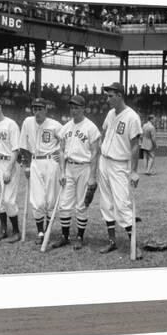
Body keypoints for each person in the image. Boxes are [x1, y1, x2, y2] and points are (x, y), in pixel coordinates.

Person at [98, 82, 143, 259]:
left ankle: (134, 244)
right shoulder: (110, 113)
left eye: (110, 96)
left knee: (122, 204)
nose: (107, 99)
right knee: (105, 203)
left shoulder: (132, 117)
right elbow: (105, 133)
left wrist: (134, 171)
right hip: (105, 161)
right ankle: (111, 241)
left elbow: (135, 146)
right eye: (107, 95)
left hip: (119, 164)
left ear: (119, 95)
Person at [52, 95, 100, 250]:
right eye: (72, 107)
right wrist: (62, 172)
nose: (74, 110)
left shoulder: (91, 127)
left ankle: (79, 237)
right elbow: (61, 150)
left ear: (83, 108)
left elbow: (94, 153)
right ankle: (65, 237)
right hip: (69, 167)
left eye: (77, 107)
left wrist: (92, 176)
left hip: (84, 167)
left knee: (81, 205)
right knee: (64, 204)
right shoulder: (65, 127)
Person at [19, 98, 62, 245]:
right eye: (34, 109)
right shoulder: (27, 122)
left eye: (40, 108)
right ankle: (40, 232)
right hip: (35, 162)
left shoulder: (55, 125)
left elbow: (66, 142)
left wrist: (60, 153)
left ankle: (48, 230)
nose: (37, 112)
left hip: (51, 162)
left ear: (46, 109)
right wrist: (26, 165)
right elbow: (23, 146)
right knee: (37, 200)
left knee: (51, 199)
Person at [0, 97, 22, 243]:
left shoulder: (11, 124)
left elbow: (15, 149)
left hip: (7, 162)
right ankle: (3, 229)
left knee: (8, 199)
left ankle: (16, 230)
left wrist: (8, 169)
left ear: (0, 107)